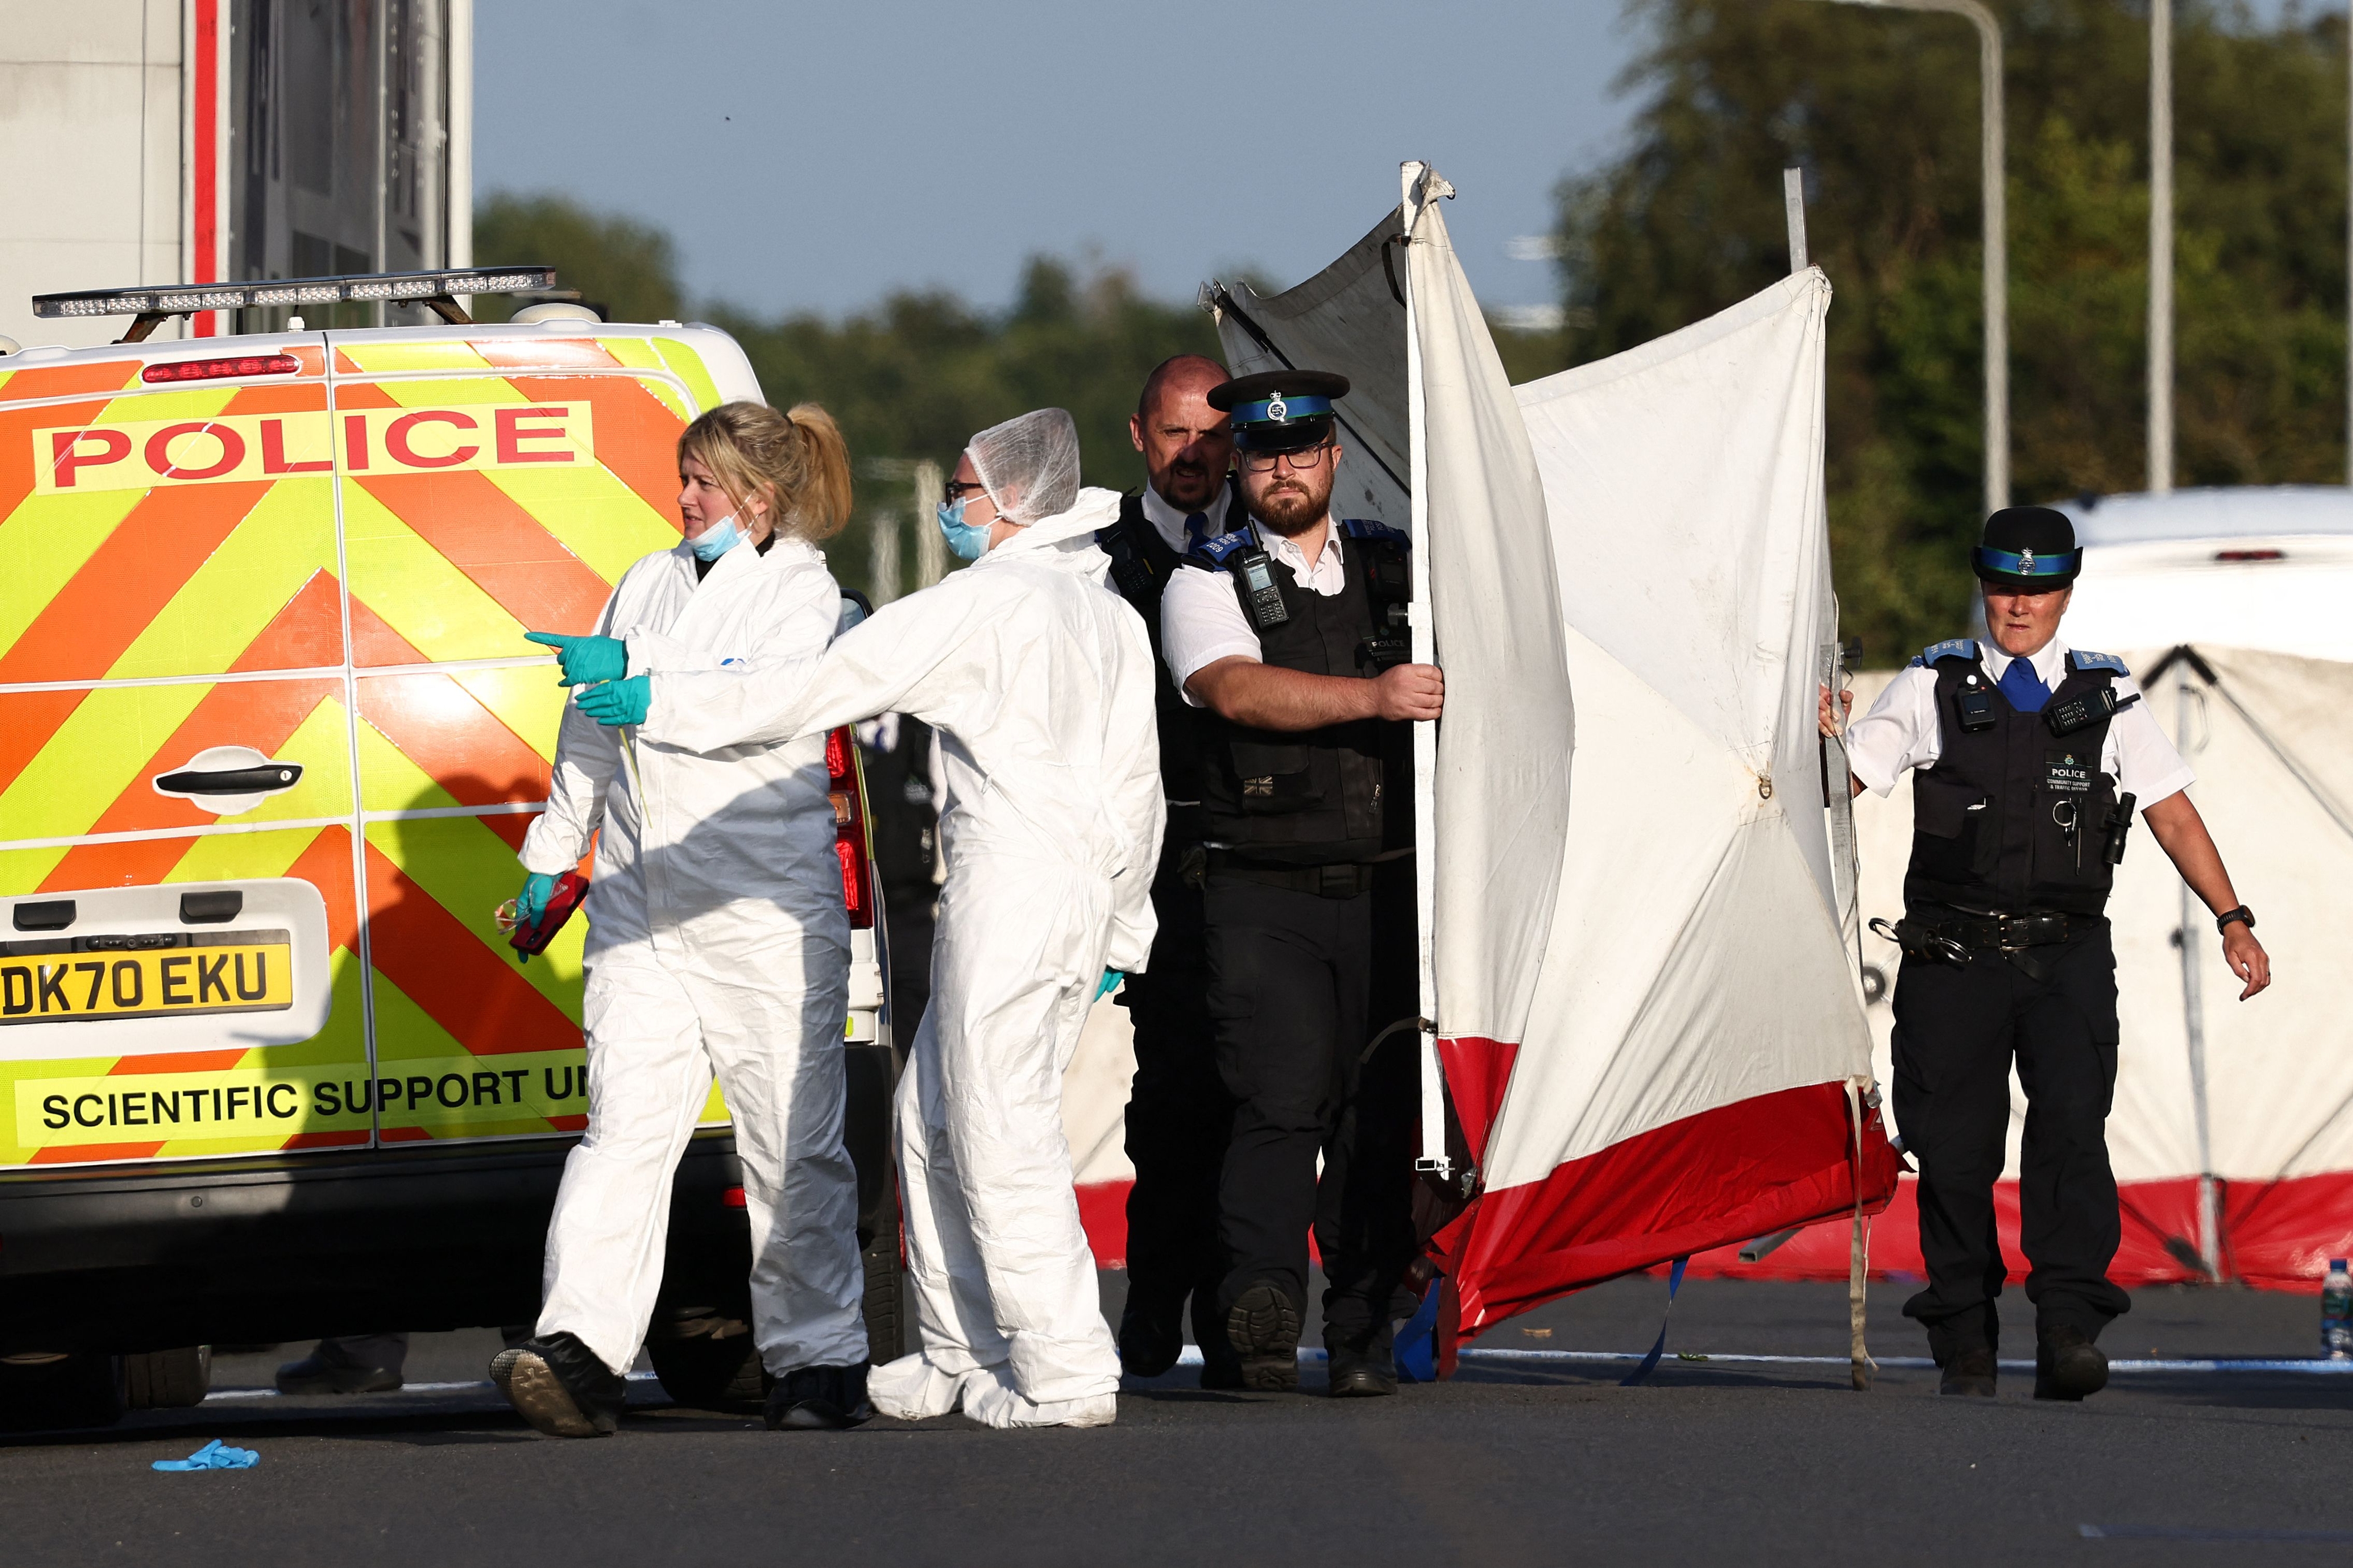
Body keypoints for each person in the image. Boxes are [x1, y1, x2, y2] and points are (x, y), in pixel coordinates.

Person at [578, 408, 1161, 1430]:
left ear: (1017, 503)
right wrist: (1121, 929)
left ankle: (1067, 1370)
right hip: (1067, 896)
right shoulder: (1102, 608)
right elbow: (1138, 783)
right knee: (926, 1116)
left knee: (997, 1127)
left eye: (965, 492)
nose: (948, 508)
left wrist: (654, 699)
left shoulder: (987, 602)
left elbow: (816, 688)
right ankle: (957, 1348)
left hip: (1011, 894)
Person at [1824, 505, 2272, 1402]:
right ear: (1983, 585)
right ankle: (1965, 1336)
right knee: (1954, 1152)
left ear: (2066, 592)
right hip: (1952, 958)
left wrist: (2232, 915)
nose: (2017, 605)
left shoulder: (2107, 695)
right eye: (2002, 586)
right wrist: (1821, 733)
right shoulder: (1932, 685)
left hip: (2064, 959)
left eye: (2036, 589)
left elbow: (2173, 812)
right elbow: (1847, 780)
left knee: (2071, 1134)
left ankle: (2068, 1327)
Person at [490, 401, 872, 1439]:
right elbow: (589, 732)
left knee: (791, 1144)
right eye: (682, 477)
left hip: (760, 910)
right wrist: (548, 856)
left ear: (756, 499)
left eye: (702, 482)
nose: (682, 498)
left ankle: (817, 1358)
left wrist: (645, 686)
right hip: (641, 903)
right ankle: (578, 1350)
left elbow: (770, 699)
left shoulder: (803, 593)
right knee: (621, 1131)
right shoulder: (649, 580)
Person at [1160, 370, 1444, 1397]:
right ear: (1240, 463)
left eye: (1303, 447)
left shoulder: (1402, 567)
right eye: (1263, 452)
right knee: (1280, 1103)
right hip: (1264, 892)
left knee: (1379, 1113)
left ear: (1334, 456)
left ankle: (1364, 1325)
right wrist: (1373, 695)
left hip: (1388, 889)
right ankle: (1260, 1315)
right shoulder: (1207, 578)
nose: (1284, 467)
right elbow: (1232, 687)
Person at [1094, 353, 1244, 1383]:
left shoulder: (1269, 545)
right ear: (1139, 436)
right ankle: (1155, 1294)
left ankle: (1244, 1312)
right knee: (1173, 1099)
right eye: (1175, 434)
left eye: (1211, 434)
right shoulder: (1096, 559)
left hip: (1263, 852)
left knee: (1262, 1097)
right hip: (1157, 861)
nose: (1194, 454)